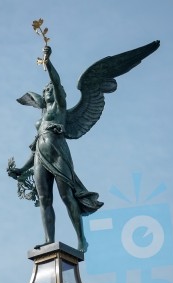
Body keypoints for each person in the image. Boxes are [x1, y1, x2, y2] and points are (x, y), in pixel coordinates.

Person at [7, 46, 103, 252]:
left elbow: (57, 82)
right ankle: (49, 240)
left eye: (49, 89)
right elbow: (35, 148)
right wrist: (21, 170)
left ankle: (81, 239)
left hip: (58, 153)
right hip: (41, 155)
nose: (47, 91)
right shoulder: (42, 117)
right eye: (45, 90)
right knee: (44, 199)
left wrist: (47, 61)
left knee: (67, 196)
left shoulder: (59, 108)